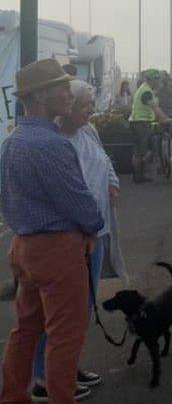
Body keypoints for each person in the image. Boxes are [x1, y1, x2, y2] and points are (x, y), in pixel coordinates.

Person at [1, 59, 104, 404]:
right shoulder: (53, 144)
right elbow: (80, 205)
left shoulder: (13, 141)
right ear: (42, 96)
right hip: (58, 250)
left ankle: (13, 396)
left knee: (25, 330)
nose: (68, 93)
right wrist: (94, 226)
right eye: (62, 87)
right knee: (65, 337)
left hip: (24, 246)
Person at [28, 79, 128, 401]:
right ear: (67, 106)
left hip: (94, 234)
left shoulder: (88, 131)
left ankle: (68, 365)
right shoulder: (55, 141)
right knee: (59, 313)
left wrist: (112, 183)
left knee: (82, 307)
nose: (91, 110)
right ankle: (45, 377)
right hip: (71, 239)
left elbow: (104, 160)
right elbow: (67, 195)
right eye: (85, 105)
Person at [128, 69, 172, 183]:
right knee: (140, 151)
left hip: (143, 122)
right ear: (151, 80)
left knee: (151, 149)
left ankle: (142, 173)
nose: (159, 82)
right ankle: (137, 177)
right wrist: (165, 119)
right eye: (157, 79)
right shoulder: (146, 92)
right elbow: (155, 108)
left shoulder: (146, 89)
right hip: (140, 123)